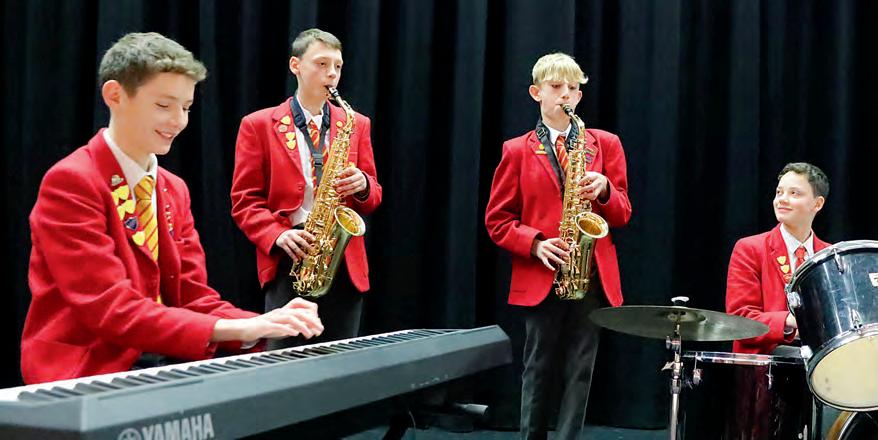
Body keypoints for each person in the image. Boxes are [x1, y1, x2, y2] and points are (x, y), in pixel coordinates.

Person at [22, 32, 323, 385]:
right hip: (85, 372)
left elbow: (193, 297)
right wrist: (241, 328)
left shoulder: (173, 188)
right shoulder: (72, 181)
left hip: (157, 364)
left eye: (186, 107)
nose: (179, 121)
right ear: (115, 95)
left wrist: (265, 325)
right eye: (164, 106)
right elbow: (110, 307)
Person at [484, 52, 632, 439]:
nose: (566, 94)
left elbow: (623, 213)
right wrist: (536, 245)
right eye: (556, 86)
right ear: (537, 93)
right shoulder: (516, 149)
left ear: (579, 96)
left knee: (581, 369)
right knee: (538, 367)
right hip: (542, 272)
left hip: (589, 273)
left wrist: (605, 191)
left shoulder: (606, 144)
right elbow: (497, 221)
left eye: (573, 88)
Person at [230, 29, 381, 349]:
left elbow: (373, 196)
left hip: (342, 262)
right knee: (283, 363)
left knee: (342, 364)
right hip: (291, 255)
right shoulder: (257, 124)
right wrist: (277, 234)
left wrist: (364, 185)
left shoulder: (356, 123)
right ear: (295, 65)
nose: (332, 74)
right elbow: (244, 201)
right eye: (322, 64)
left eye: (338, 66)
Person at [726, 162, 830, 355]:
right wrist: (791, 321)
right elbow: (740, 320)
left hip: (822, 360)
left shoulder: (830, 255)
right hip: (765, 363)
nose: (782, 200)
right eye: (779, 192)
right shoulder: (750, 248)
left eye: (794, 193)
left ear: (817, 204)